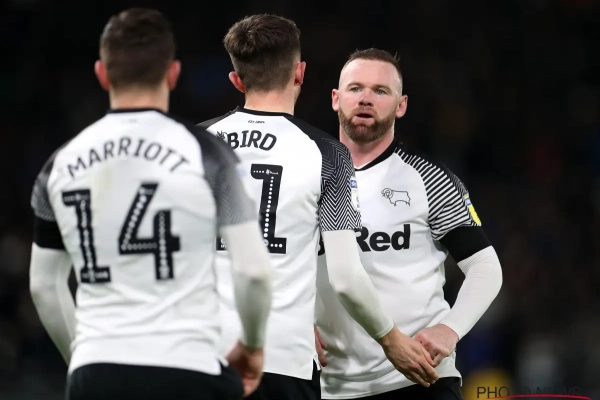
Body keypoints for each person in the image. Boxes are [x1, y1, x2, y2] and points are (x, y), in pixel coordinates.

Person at [28, 8, 272, 400]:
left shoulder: (58, 166)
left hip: (96, 372)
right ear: (172, 74)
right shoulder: (207, 154)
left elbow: (44, 286)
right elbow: (253, 271)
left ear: (102, 74)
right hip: (188, 368)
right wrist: (253, 344)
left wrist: (84, 361)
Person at [198, 14, 439, 400]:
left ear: (236, 80)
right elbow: (345, 276)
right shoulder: (327, 154)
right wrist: (391, 340)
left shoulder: (195, 144)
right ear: (300, 73)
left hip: (198, 356)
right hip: (282, 360)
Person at [315, 48, 503, 400]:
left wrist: (450, 329)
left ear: (400, 105)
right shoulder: (304, 179)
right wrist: (293, 321)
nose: (366, 99)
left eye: (380, 91)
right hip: (334, 387)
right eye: (356, 88)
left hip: (422, 379)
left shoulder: (429, 179)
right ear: (336, 99)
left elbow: (485, 267)